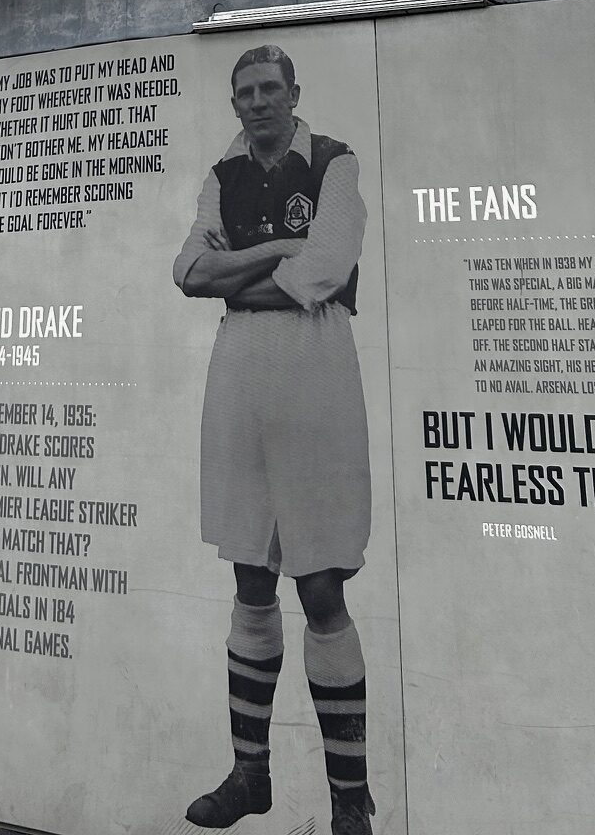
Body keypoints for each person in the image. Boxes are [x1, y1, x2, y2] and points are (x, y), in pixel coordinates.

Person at [173, 44, 373, 835]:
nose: (258, 102)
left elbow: (324, 268)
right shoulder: (220, 178)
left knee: (320, 584)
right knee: (250, 576)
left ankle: (349, 801)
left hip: (315, 368)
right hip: (239, 375)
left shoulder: (335, 163)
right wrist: (272, 251)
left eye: (270, 89)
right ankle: (249, 774)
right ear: (234, 105)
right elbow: (189, 271)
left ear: (295, 93)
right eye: (245, 93)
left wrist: (240, 272)